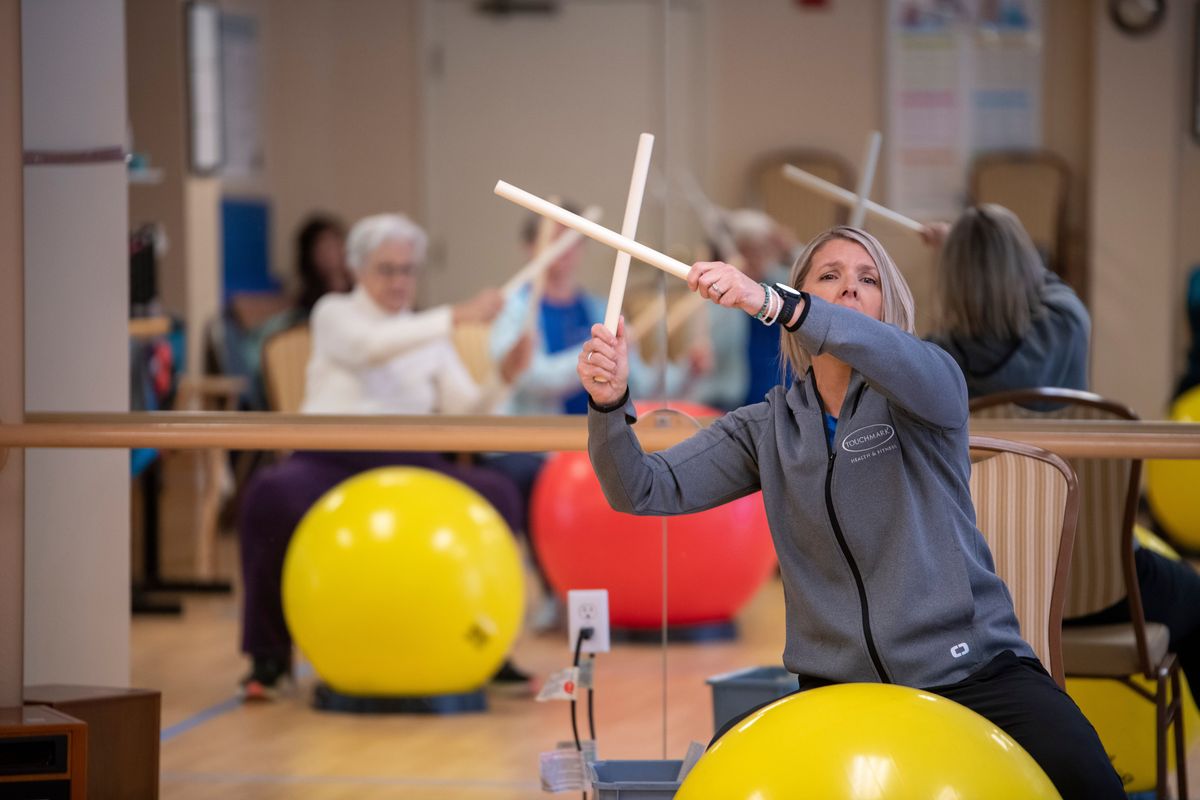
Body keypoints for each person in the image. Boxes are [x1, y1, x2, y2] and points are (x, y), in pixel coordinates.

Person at [575, 225, 1123, 799]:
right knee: (721, 765)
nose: (850, 290)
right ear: (804, 297)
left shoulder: (926, 394)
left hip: (971, 674)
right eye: (829, 277)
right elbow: (640, 489)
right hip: (835, 688)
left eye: (868, 279)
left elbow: (917, 370)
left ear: (888, 306)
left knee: (1089, 777)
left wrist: (769, 300)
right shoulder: (769, 428)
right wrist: (609, 404)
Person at [237, 213, 533, 700]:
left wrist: (503, 376)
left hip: (411, 460)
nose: (399, 281)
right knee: (271, 496)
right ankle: (267, 660)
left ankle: (487, 648)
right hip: (328, 457)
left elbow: (466, 411)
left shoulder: (428, 331)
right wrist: (456, 316)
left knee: (497, 494)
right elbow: (369, 348)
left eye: (408, 270)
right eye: (387, 270)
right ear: (357, 269)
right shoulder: (334, 312)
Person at [926, 204, 1200, 714]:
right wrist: (992, 248)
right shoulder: (1067, 322)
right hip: (1097, 588)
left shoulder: (935, 363)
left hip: (985, 598)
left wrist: (962, 251)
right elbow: (1048, 287)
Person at [484, 210, 708, 630]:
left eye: (571, 243)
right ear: (529, 248)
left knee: (635, 476)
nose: (562, 255)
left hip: (592, 437)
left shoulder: (595, 307)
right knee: (536, 480)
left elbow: (638, 380)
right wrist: (594, 354)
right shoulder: (514, 308)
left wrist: (690, 371)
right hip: (533, 443)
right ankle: (556, 590)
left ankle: (618, 594)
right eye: (552, 242)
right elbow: (530, 378)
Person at [924, 204, 1089, 401]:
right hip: (1066, 433)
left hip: (987, 434)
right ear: (1023, 259)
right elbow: (1045, 282)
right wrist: (1005, 255)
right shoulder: (1067, 320)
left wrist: (957, 251)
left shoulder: (941, 358)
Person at [689, 208, 795, 411]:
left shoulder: (781, 285)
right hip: (733, 397)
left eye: (761, 250)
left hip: (781, 391)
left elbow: (810, 279)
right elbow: (706, 351)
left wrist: (788, 248)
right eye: (747, 250)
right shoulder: (717, 294)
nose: (755, 258)